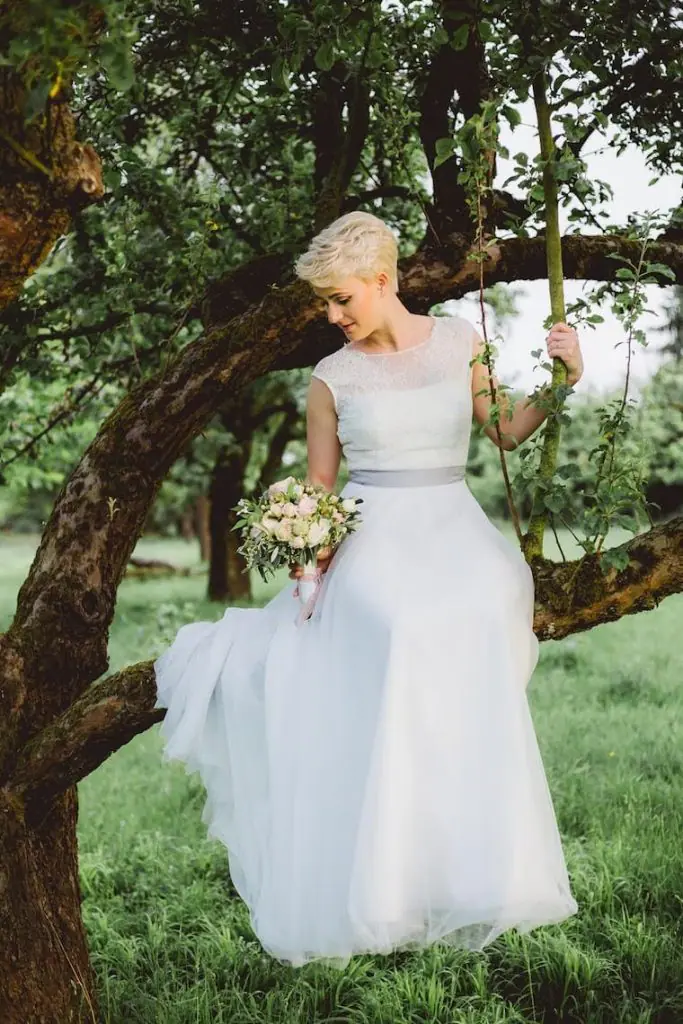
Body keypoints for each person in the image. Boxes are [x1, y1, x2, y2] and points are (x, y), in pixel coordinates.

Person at [154, 211, 583, 970]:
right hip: (372, 528)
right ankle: (385, 875)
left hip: (454, 524)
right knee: (396, 622)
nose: (331, 316)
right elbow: (320, 489)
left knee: (481, 609)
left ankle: (469, 853)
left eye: (341, 299)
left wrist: (563, 379)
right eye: (325, 303)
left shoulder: (458, 341)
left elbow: (506, 433)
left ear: (381, 282)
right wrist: (303, 553)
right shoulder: (332, 377)